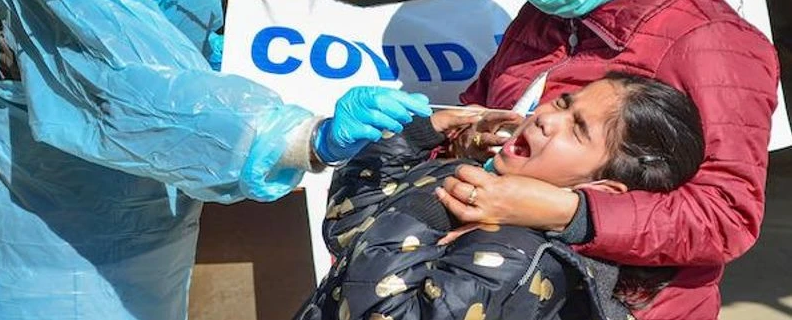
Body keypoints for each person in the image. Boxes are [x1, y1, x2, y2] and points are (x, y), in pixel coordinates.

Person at [0, 0, 432, 318]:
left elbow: (166, 27)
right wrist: (304, 139)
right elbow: (130, 87)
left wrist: (223, 52)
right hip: (58, 223)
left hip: (151, 215)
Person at [435, 0, 780, 319]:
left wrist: (569, 212)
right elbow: (473, 115)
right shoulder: (542, 21)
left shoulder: (712, 41)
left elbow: (725, 218)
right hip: (506, 290)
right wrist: (469, 139)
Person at [296, 72, 705, 320]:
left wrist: (430, 211)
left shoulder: (520, 254)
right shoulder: (470, 178)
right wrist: (416, 138)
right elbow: (346, 227)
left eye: (577, 128)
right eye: (563, 102)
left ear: (599, 189)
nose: (547, 118)